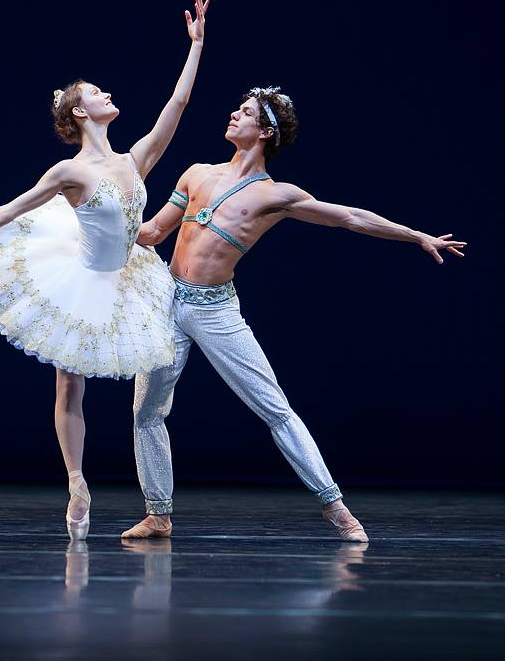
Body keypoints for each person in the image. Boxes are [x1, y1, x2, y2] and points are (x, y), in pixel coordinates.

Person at [0, 0, 211, 540]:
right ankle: (76, 480)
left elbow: (178, 105)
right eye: (97, 92)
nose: (108, 93)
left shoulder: (133, 159)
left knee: (52, 228)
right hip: (81, 276)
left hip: (128, 275)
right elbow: (17, 207)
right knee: (68, 379)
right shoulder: (68, 170)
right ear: (80, 111)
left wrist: (196, 46)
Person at [121, 86, 466, 542]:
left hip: (215, 310)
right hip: (167, 301)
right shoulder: (196, 174)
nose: (233, 114)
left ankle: (336, 507)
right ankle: (158, 514)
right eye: (237, 108)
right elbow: (154, 232)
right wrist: (110, 221)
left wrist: (415, 235)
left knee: (274, 408)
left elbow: (349, 217)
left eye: (244, 113)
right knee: (146, 410)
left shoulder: (276, 195)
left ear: (264, 132)